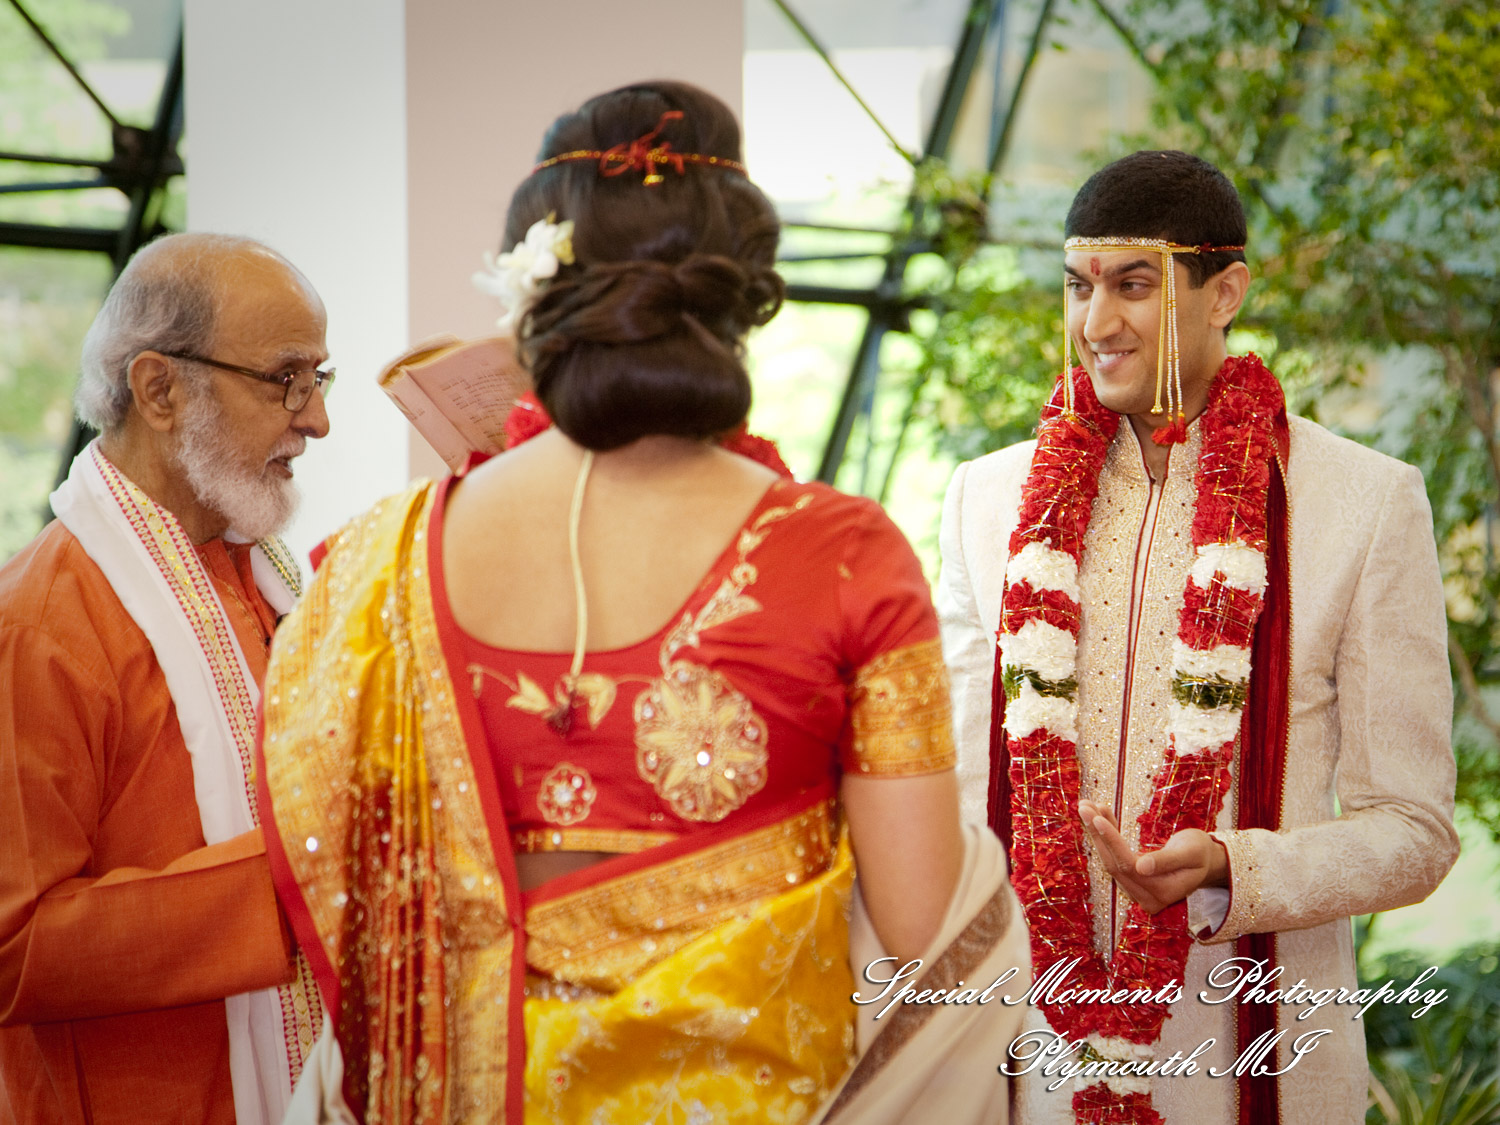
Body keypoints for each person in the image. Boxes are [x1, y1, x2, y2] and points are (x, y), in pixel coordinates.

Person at [259, 81, 1029, 1125]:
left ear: (532, 297)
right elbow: (926, 932)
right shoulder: (842, 556)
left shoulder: (372, 564)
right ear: (740, 298)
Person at [936, 149, 1459, 1125]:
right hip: (1035, 1068)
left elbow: (1418, 833)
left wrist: (1233, 868)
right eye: (1078, 287)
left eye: (1134, 286)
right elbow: (962, 804)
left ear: (1226, 292)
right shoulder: (986, 502)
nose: (1096, 325)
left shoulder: (1364, 503)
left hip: (1259, 1061)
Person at [0, 232, 333, 1125]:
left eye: (318, 378)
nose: (315, 419)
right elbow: (16, 945)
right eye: (285, 378)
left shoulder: (261, 576)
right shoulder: (38, 622)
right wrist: (299, 882)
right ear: (158, 389)